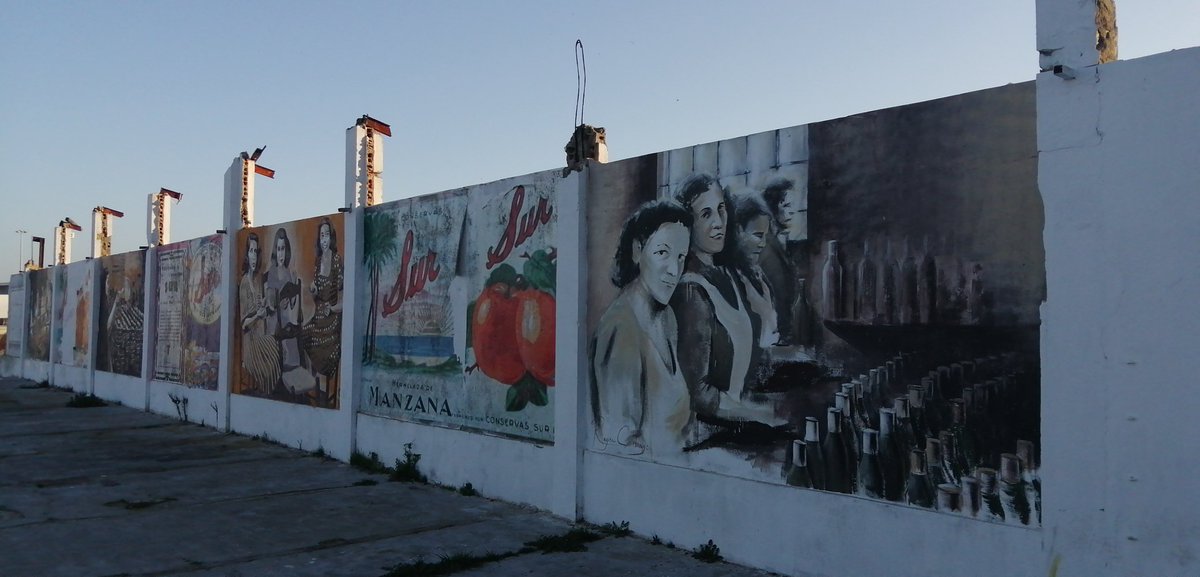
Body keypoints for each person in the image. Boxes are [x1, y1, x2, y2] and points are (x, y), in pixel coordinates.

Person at [671, 174, 782, 425]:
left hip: (739, 418)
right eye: (706, 214)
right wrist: (762, 415)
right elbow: (699, 396)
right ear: (688, 224)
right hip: (709, 431)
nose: (718, 222)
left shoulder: (727, 276)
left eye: (721, 210)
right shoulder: (690, 291)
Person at [591, 200, 695, 457]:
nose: (674, 270)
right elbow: (620, 445)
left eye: (681, 257)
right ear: (638, 251)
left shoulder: (666, 317)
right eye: (662, 253)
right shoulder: (621, 328)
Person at [728, 192, 781, 349]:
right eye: (758, 235)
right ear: (738, 231)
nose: (763, 244)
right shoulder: (729, 278)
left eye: (765, 236)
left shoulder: (759, 276)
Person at [266, 228, 312, 395]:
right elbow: (271, 304)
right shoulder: (271, 273)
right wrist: (277, 303)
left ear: (287, 251)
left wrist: (293, 283)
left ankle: (298, 383)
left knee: (299, 343)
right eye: (278, 249)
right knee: (287, 345)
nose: (280, 253)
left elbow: (293, 303)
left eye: (283, 249)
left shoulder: (287, 272)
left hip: (287, 322)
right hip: (274, 325)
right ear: (274, 251)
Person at [303, 217, 344, 406]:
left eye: (327, 235)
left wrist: (332, 309)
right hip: (319, 316)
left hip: (333, 319)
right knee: (302, 333)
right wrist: (313, 289)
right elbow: (316, 296)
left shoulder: (337, 261)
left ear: (332, 238)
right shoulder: (318, 262)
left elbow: (343, 300)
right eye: (321, 236)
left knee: (326, 352)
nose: (324, 239)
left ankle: (323, 392)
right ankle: (316, 388)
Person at [761, 178, 805, 345]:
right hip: (772, 334)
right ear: (772, 208)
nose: (793, 211)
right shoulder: (765, 246)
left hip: (782, 332)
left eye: (793, 205)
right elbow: (776, 293)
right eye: (786, 206)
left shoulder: (781, 243)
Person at [239, 232, 281, 394]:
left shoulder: (257, 280)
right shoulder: (244, 283)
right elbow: (243, 324)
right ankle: (266, 393)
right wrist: (257, 315)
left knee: (277, 348)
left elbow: (261, 305)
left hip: (260, 336)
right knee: (271, 362)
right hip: (250, 343)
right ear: (246, 254)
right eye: (251, 251)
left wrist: (263, 306)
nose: (254, 256)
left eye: (256, 252)